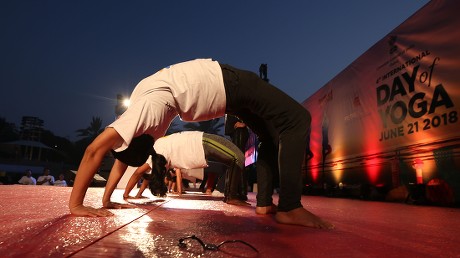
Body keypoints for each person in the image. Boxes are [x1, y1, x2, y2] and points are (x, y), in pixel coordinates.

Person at [69, 58, 333, 229]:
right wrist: (96, 203)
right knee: (295, 120)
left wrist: (86, 203)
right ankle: (289, 207)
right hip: (229, 88)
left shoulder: (144, 112)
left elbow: (100, 149)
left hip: (227, 89)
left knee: (278, 129)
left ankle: (270, 203)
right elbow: (113, 155)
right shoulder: (147, 110)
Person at [119, 131, 247, 206]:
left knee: (236, 158)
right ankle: (231, 196)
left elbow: (138, 173)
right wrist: (133, 194)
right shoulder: (156, 154)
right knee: (238, 158)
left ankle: (231, 196)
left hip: (201, 142)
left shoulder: (155, 154)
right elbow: (143, 175)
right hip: (200, 142)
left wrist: (126, 195)